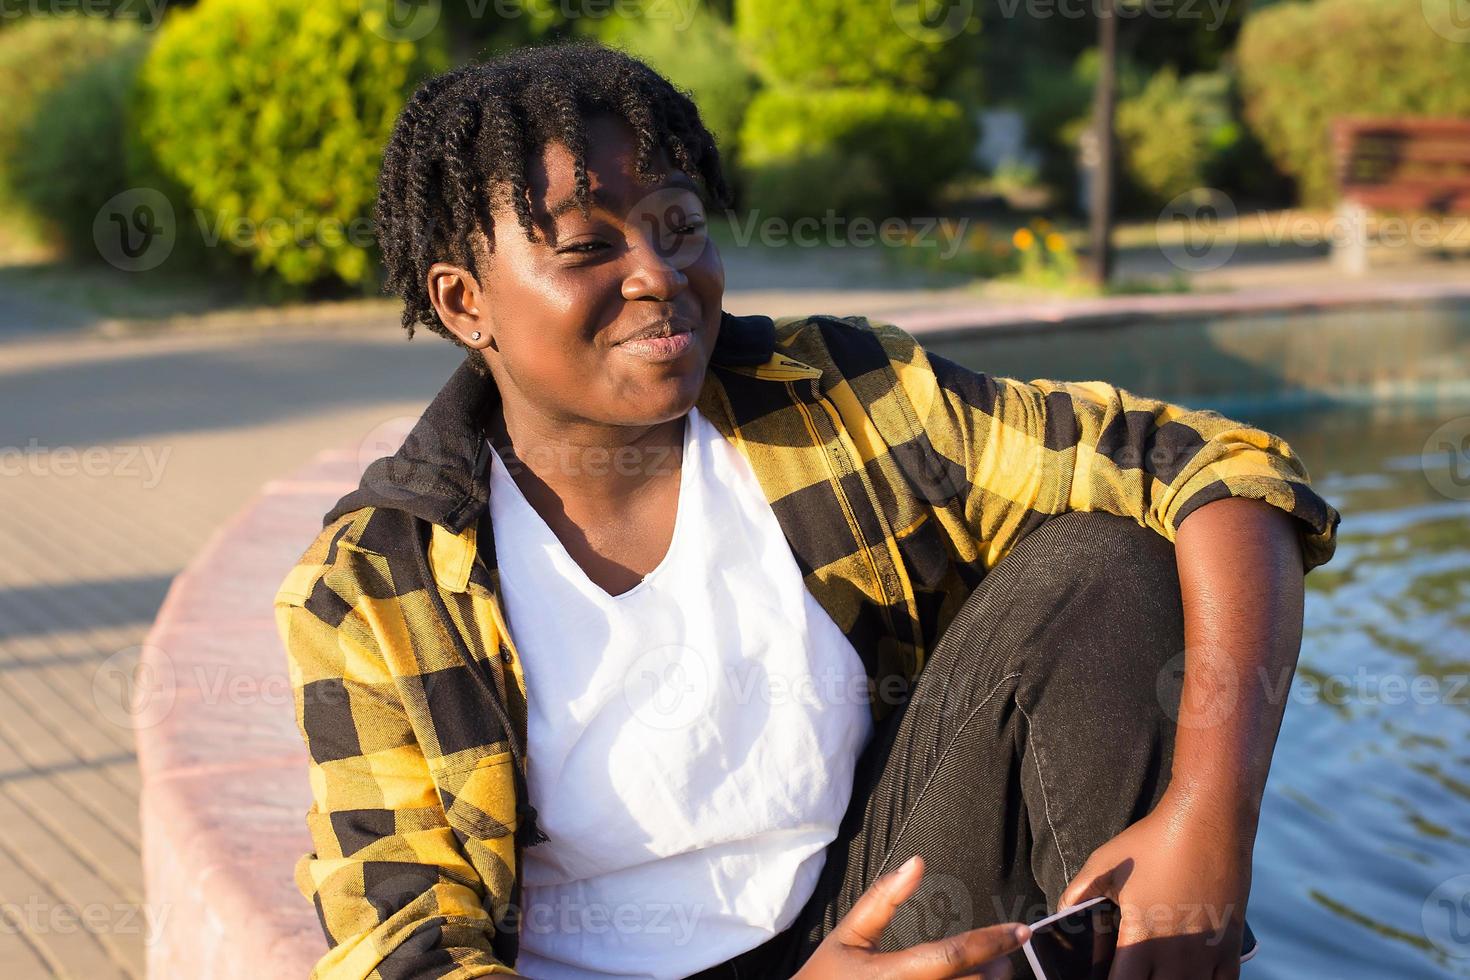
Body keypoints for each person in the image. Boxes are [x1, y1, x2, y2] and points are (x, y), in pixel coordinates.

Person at [273, 40, 1341, 980]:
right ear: (465, 302)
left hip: (872, 903)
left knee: (1106, 564)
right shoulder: (376, 582)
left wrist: (1210, 814)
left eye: (678, 225)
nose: (658, 275)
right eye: (589, 246)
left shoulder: (838, 399)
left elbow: (1210, 462)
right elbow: (402, 950)